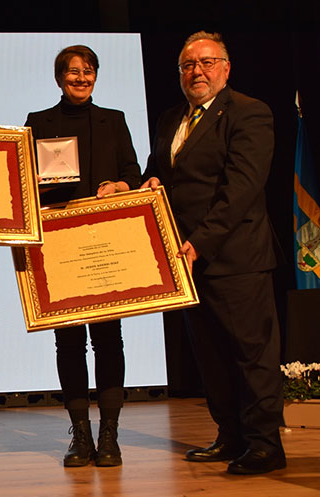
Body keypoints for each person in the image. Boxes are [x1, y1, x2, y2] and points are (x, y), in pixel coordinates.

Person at [142, 31, 285, 475]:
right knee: (212, 358)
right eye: (187, 65)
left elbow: (241, 189)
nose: (196, 71)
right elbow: (159, 172)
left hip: (235, 259)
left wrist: (199, 242)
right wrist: (139, 185)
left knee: (251, 355)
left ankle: (265, 445)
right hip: (186, 263)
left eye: (206, 62)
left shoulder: (249, 112)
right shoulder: (171, 119)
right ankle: (230, 436)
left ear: (225, 67)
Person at [24, 45, 141, 467]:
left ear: (96, 76)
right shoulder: (38, 123)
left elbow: (133, 172)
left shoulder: (115, 120)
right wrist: (41, 184)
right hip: (57, 244)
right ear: (59, 78)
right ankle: (80, 435)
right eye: (72, 72)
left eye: (88, 71)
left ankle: (110, 434)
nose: (80, 78)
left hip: (105, 242)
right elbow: (22, 182)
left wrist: (122, 187)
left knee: (109, 338)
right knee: (68, 341)